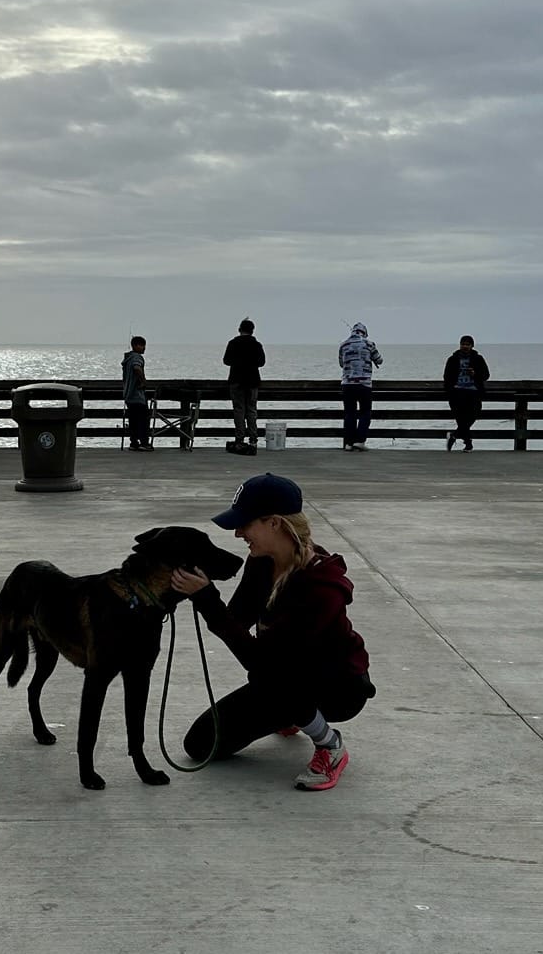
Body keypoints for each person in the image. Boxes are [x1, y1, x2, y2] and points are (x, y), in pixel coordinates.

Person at [169, 473, 374, 792]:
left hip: (339, 687)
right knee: (200, 744)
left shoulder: (322, 589)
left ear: (275, 523)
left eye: (245, 524)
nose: (238, 533)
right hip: (283, 675)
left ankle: (329, 745)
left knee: (279, 678)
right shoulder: (262, 562)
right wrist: (202, 582)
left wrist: (207, 600)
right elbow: (235, 620)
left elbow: (262, 664)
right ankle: (293, 714)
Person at [223, 318, 266, 455]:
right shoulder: (257, 345)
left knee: (239, 410)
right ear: (252, 331)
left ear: (240, 329)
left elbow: (226, 360)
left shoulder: (233, 343)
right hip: (252, 381)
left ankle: (239, 439)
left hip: (236, 380)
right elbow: (261, 362)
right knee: (252, 410)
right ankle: (253, 439)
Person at [338, 322, 382, 451]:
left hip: (347, 384)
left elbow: (341, 363)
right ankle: (360, 441)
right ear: (364, 333)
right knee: (365, 412)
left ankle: (348, 443)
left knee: (350, 413)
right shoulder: (369, 344)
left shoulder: (344, 345)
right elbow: (379, 360)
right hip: (364, 384)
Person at [441, 335, 490, 451]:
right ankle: (468, 444)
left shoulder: (478, 359)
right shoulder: (453, 359)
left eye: (467, 344)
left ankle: (454, 435)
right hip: (457, 392)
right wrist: (450, 389)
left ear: (472, 346)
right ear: (460, 345)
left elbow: (486, 375)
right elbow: (446, 376)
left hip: (474, 392)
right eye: (463, 344)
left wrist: (475, 374)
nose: (465, 346)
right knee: (461, 418)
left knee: (474, 415)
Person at [122, 336, 152, 451]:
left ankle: (134, 442)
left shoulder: (128, 358)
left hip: (128, 395)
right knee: (143, 419)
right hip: (137, 395)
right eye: (142, 345)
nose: (144, 348)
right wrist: (143, 382)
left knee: (133, 420)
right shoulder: (136, 357)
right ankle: (144, 442)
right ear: (135, 346)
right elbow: (137, 368)